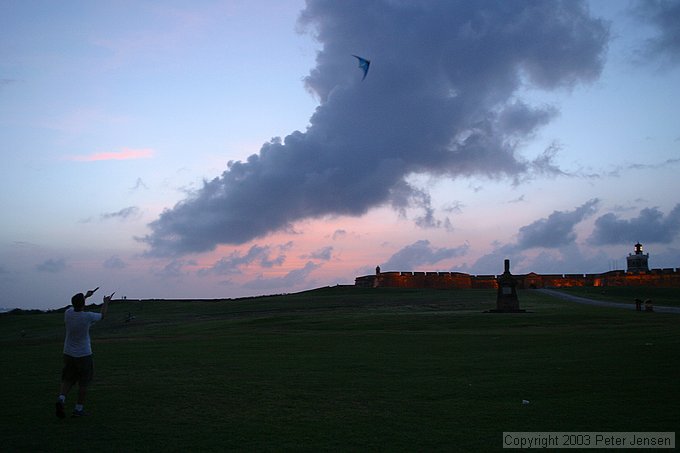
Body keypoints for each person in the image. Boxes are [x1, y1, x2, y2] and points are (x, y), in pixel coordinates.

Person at [55, 288, 113, 418]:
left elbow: (76, 306)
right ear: (83, 304)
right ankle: (78, 409)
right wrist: (105, 302)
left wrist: (86, 296)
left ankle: (61, 399)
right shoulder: (87, 316)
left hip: (68, 353)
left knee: (67, 379)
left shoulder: (68, 313)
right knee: (83, 382)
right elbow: (102, 316)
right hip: (83, 354)